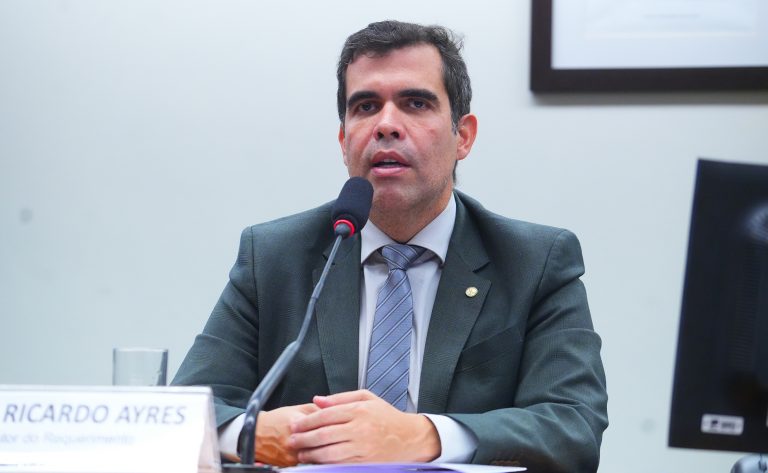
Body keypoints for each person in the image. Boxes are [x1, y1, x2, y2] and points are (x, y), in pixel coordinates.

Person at [173, 20, 608, 473]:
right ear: (344, 141)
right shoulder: (274, 256)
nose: (386, 125)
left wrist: (423, 436)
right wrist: (253, 433)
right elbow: (182, 414)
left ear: (463, 136)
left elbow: (573, 427)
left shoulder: (534, 262)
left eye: (415, 103)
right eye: (365, 106)